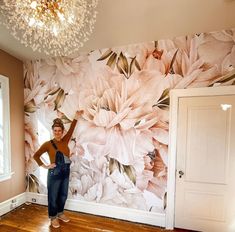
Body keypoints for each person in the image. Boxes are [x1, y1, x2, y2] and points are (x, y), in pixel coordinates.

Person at [33, 110, 83, 228]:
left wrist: (76, 117)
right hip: (54, 174)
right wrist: (45, 166)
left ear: (62, 131)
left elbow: (71, 129)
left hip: (65, 172)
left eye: (59, 131)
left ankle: (60, 213)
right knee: (53, 196)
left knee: (63, 194)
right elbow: (36, 155)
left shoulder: (65, 141)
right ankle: (53, 217)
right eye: (55, 131)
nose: (57, 133)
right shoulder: (48, 144)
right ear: (53, 131)